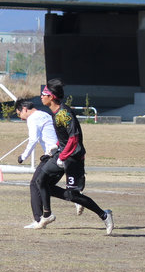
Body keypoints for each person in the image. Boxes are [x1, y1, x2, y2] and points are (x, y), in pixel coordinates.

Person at [35, 78, 114, 235]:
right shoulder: (55, 113)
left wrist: (62, 156)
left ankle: (104, 215)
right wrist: (53, 149)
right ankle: (47, 215)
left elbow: (74, 138)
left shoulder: (64, 113)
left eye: (44, 94)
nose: (41, 97)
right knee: (41, 181)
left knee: (73, 195)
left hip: (73, 158)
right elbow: (64, 137)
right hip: (62, 154)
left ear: (51, 97)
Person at [16, 98, 58, 228]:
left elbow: (33, 139)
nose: (21, 118)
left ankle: (39, 219)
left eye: (19, 114)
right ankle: (76, 196)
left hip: (52, 155)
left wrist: (23, 156)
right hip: (60, 153)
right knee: (46, 186)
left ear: (24, 109)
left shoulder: (32, 118)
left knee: (35, 184)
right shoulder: (45, 114)